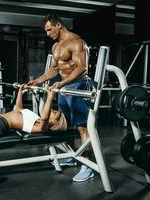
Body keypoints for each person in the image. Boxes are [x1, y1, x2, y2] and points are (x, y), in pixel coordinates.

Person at [27, 13, 94, 182]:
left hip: (78, 86)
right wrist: (37, 80)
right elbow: (54, 70)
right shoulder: (56, 47)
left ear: (59, 25)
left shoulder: (77, 42)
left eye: (50, 29)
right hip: (64, 88)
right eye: (46, 31)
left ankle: (87, 165)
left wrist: (63, 83)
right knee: (66, 126)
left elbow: (82, 68)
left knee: (82, 128)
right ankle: (72, 156)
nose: (48, 34)